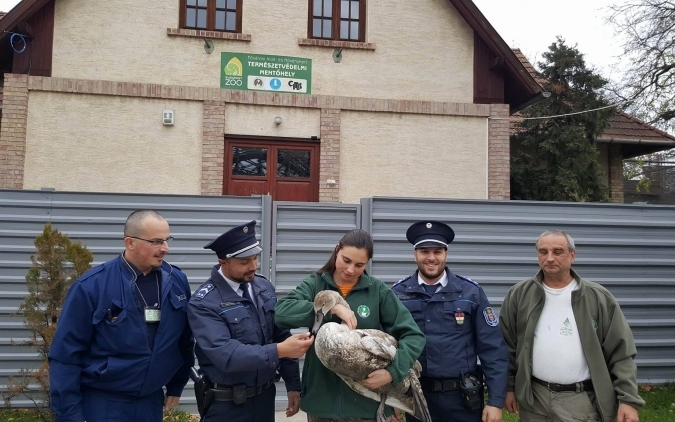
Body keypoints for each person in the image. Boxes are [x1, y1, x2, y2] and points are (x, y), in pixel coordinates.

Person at [49, 210, 194, 422]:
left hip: (150, 403)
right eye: (156, 241)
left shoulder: (176, 282)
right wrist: (70, 416)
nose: (165, 248)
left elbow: (184, 340)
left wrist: (177, 384)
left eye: (167, 240)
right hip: (104, 404)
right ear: (130, 242)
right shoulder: (92, 287)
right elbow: (65, 356)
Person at [275, 229, 426, 421]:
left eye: (359, 265)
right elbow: (282, 313)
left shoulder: (378, 291)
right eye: (346, 260)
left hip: (368, 407)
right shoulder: (315, 285)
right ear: (337, 250)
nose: (350, 269)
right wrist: (332, 308)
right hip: (322, 405)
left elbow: (413, 336)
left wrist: (392, 373)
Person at [499, 230, 644, 422]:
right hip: (534, 399)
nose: (549, 258)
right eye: (543, 252)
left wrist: (628, 400)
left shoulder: (598, 298)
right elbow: (507, 346)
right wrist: (509, 388)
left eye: (558, 252)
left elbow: (621, 353)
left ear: (572, 255)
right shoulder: (519, 295)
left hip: (580, 400)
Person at [187, 220, 312, 422]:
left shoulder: (263, 287)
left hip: (264, 399)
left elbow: (279, 334)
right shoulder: (204, 303)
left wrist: (293, 385)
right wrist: (279, 350)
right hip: (226, 406)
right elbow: (226, 354)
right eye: (244, 262)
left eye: (255, 258)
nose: (253, 266)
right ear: (223, 262)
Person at [392, 221, 508, 422]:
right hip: (418, 396)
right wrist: (392, 399)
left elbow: (492, 349)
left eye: (437, 251)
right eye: (424, 251)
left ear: (446, 254)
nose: (431, 258)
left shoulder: (471, 292)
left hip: (462, 399)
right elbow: (388, 348)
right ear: (415, 255)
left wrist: (496, 401)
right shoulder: (397, 294)